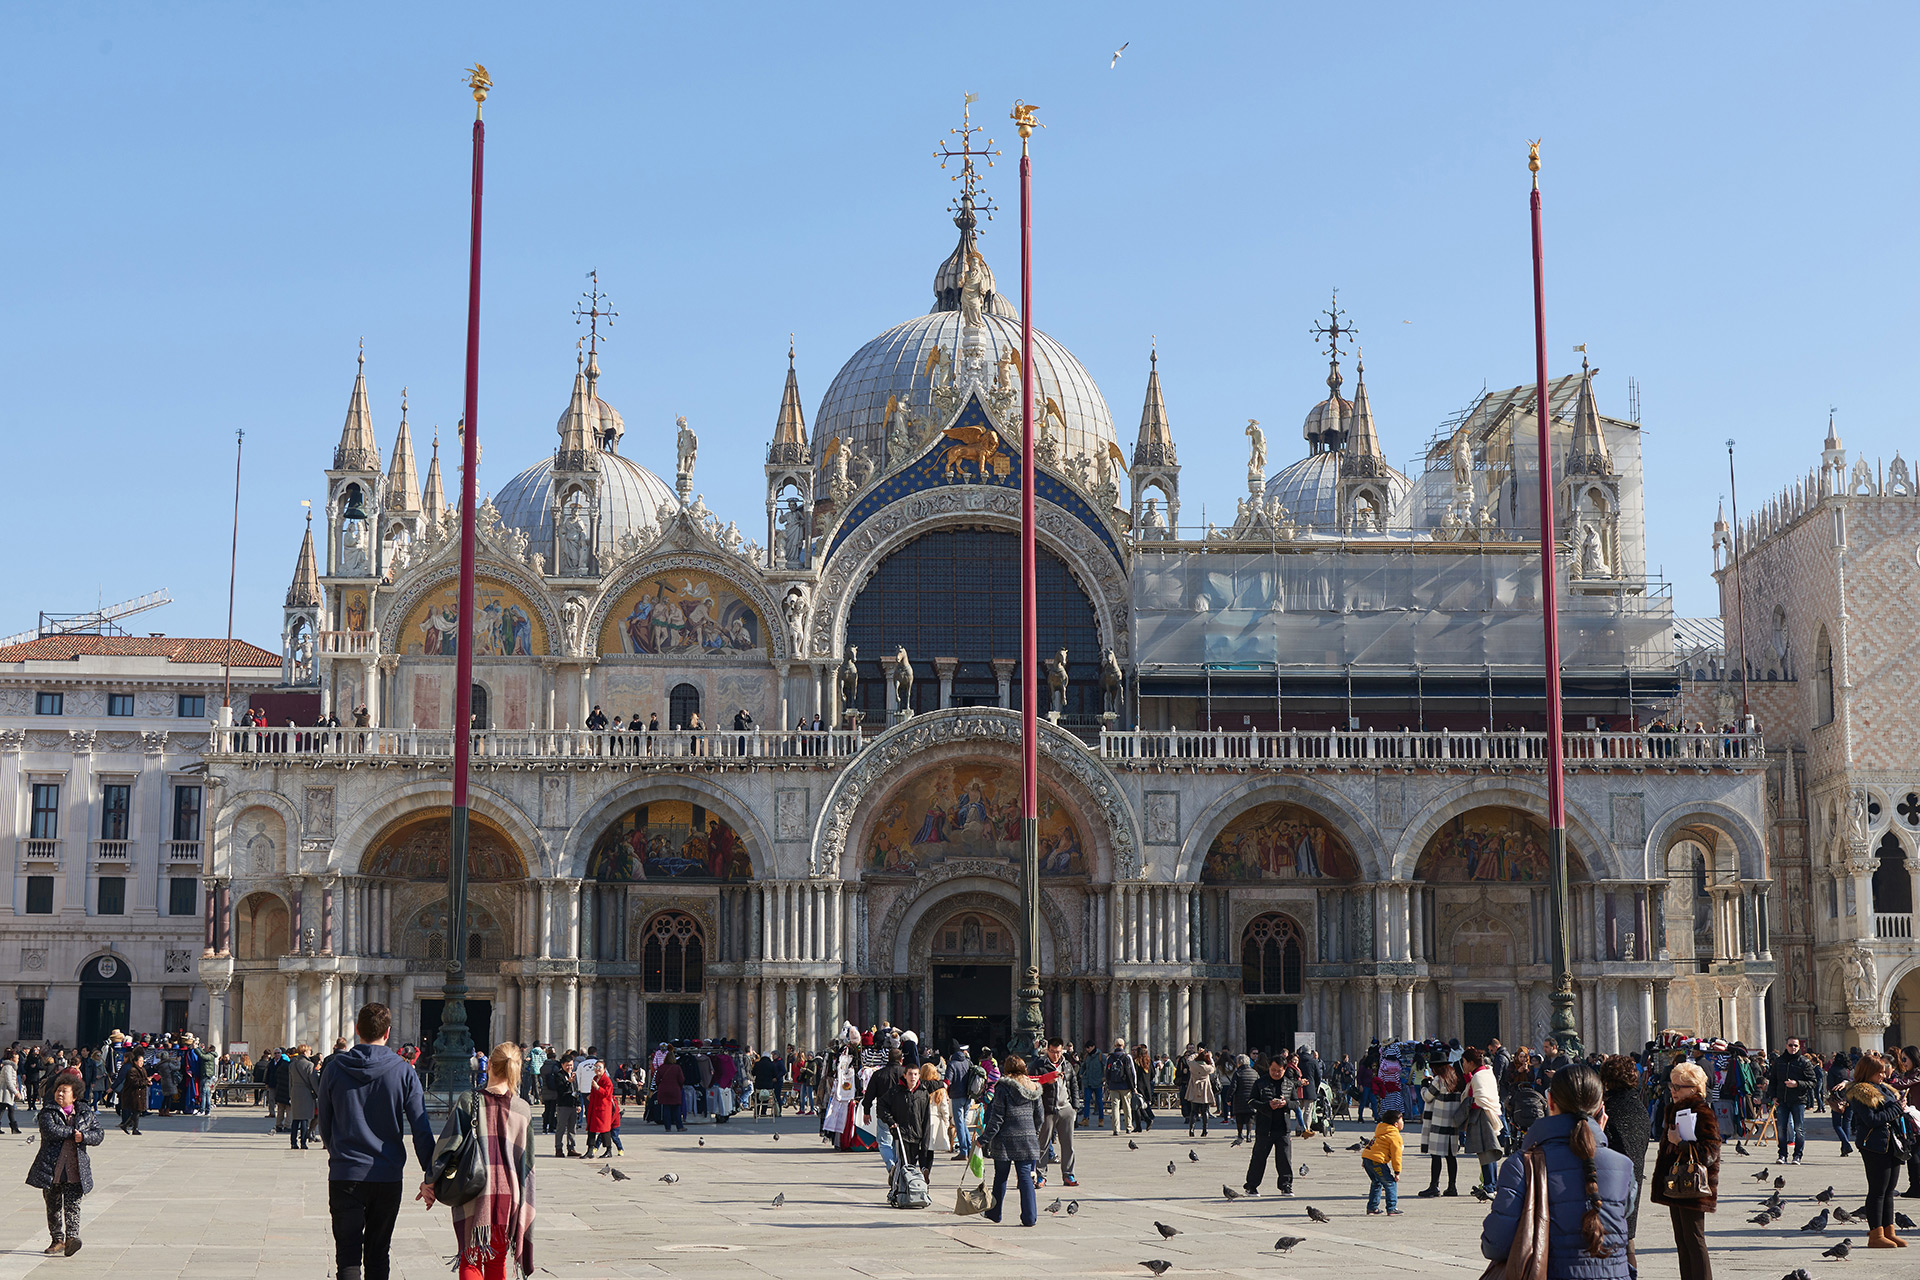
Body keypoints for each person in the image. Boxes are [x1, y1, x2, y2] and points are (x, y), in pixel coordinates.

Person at [1481, 1062, 1634, 1279]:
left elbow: (1495, 1245)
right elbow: (1617, 1216)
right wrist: (1595, 1139)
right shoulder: (1623, 1165)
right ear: (1600, 1106)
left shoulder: (1521, 1165)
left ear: (1550, 1101)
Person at [316, 1003, 437, 1280]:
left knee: (347, 1257)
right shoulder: (404, 1071)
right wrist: (431, 1174)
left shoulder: (334, 1069)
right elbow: (421, 1127)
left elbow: (325, 1122)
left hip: (346, 1173)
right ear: (388, 1032)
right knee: (378, 1254)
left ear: (357, 1031)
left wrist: (338, 1152)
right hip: (387, 1175)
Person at [433, 1043, 536, 1279]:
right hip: (507, 1197)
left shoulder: (469, 1100)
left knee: (470, 1259)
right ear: (517, 1070)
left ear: (488, 1065)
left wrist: (430, 1182)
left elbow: (447, 1145)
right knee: (496, 1259)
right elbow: (527, 1165)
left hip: (473, 1190)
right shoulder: (523, 1109)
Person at [1651, 1060, 1721, 1280]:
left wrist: (1681, 1143)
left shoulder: (1701, 1110)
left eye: (1677, 1087)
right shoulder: (1674, 1109)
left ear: (1693, 1088)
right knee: (1681, 1239)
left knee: (1694, 1238)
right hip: (1676, 1181)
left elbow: (1711, 1150)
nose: (1672, 1091)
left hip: (1693, 1182)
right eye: (1671, 1086)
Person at [26, 1070, 102, 1257]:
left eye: (64, 1091)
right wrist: (73, 1133)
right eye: (58, 1090)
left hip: (75, 1169)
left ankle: (72, 1239)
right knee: (53, 1206)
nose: (60, 1094)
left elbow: (99, 1134)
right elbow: (51, 1131)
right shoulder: (48, 1111)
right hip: (51, 1168)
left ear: (74, 1095)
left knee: (73, 1206)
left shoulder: (85, 1112)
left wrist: (84, 1136)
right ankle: (57, 1239)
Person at [1846, 1053, 1910, 1247]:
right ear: (1868, 1072)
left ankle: (1889, 1230)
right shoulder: (1860, 1092)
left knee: (1889, 1190)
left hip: (1891, 1143)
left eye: (1884, 1071)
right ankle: (1875, 1235)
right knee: (1877, 1190)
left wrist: (1901, 1107)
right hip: (1873, 1144)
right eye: (1879, 1072)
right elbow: (1872, 1120)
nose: (1883, 1075)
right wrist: (1897, 1108)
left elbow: (1891, 1112)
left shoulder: (1884, 1089)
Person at [980, 1054, 1044, 1227]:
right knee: (1024, 1176)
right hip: (1027, 1139)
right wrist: (1032, 1132)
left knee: (1001, 1176)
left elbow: (997, 1118)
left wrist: (984, 1138)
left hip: (1005, 1140)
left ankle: (994, 1213)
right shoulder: (1034, 1088)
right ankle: (1030, 1217)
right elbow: (1040, 1117)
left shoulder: (1002, 1087)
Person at [1599, 1054, 1652, 1241]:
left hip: (1609, 1185)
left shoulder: (1607, 1110)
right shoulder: (1640, 1109)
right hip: (1633, 1180)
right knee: (1628, 1241)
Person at [1242, 1053, 1296, 1197]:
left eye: (1279, 1070)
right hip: (1265, 1127)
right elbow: (1251, 1101)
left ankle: (1286, 1185)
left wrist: (1286, 1104)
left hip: (1283, 1128)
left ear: (1284, 1069)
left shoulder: (1289, 1084)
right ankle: (1251, 1186)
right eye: (1273, 1070)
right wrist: (1267, 1105)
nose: (1276, 1073)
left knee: (1284, 1159)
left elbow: (1296, 1103)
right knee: (1258, 1158)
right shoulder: (1261, 1083)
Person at [1416, 1058, 1466, 1197]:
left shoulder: (1438, 1080)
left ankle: (1434, 1186)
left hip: (1439, 1122)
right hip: (1453, 1122)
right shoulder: (1456, 1078)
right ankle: (1452, 1186)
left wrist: (1424, 1084)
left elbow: (1427, 1096)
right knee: (1451, 1155)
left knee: (1436, 1155)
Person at [1766, 1035, 1818, 1165]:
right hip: (1782, 1100)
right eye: (1790, 1045)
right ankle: (1782, 1155)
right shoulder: (1779, 1062)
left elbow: (1813, 1082)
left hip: (1798, 1100)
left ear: (1799, 1047)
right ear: (1786, 1046)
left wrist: (1797, 1084)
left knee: (1799, 1129)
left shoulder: (1804, 1062)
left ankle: (1797, 1156)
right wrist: (1773, 1097)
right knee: (1782, 1128)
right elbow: (1773, 1081)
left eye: (1795, 1045)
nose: (1793, 1048)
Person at [1459, 1046, 1505, 1189]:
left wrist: (1468, 1105)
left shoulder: (1479, 1076)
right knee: (1487, 1152)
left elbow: (1479, 1098)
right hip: (1490, 1114)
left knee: (1486, 1153)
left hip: (1482, 1116)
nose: (1463, 1065)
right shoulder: (1485, 1072)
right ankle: (1490, 1183)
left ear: (1471, 1063)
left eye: (1464, 1062)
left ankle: (1490, 1185)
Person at [1360, 1108, 1405, 1215]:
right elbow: (1396, 1156)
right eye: (1401, 1120)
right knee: (1390, 1183)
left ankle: (1372, 1207)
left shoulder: (1381, 1130)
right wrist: (1397, 1172)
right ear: (1395, 1124)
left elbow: (1372, 1144)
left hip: (1367, 1158)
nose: (1403, 1122)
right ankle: (1391, 1207)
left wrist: (1365, 1161)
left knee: (1376, 1182)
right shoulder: (1395, 1136)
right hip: (1377, 1161)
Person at [1105, 1038, 1139, 1136]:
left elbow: (1106, 1071)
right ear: (1123, 1046)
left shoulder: (1110, 1057)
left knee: (1115, 1107)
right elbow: (1133, 1072)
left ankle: (1116, 1129)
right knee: (1127, 1106)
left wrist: (1108, 1084)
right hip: (1125, 1086)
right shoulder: (1127, 1057)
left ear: (1115, 1046)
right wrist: (1134, 1086)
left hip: (1113, 1085)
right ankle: (1128, 1127)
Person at [289, 1044, 320, 1150]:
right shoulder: (309, 1065)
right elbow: (313, 1082)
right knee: (304, 1119)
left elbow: (290, 1081)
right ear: (305, 1052)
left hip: (295, 1092)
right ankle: (303, 1142)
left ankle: (293, 1142)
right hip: (306, 1093)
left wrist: (290, 1093)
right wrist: (318, 1093)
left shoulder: (293, 1064)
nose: (310, 1053)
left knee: (296, 1118)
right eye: (310, 1051)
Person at [116, 1050, 153, 1136]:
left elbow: (143, 1080)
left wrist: (148, 1082)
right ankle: (133, 1128)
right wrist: (146, 1081)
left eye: (143, 1061)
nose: (141, 1063)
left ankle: (126, 1125)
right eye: (140, 1061)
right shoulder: (132, 1070)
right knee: (136, 1111)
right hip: (133, 1094)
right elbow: (135, 1082)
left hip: (140, 1094)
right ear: (135, 1062)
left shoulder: (142, 1069)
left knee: (137, 1111)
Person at [551, 1053, 580, 1157]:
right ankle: (558, 1148)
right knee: (561, 1128)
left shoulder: (573, 1075)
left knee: (572, 1128)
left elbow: (576, 1090)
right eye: (567, 1065)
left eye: (571, 1065)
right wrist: (568, 1082)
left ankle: (571, 1148)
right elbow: (560, 1089)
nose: (569, 1067)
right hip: (563, 1105)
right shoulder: (559, 1075)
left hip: (572, 1105)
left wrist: (578, 1104)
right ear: (562, 1065)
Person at [584, 1062, 615, 1159]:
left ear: (604, 1069)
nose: (597, 1069)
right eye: (596, 1067)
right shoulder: (595, 1078)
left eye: (599, 1067)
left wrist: (597, 1087)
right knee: (591, 1129)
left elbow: (606, 1093)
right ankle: (590, 1150)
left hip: (603, 1109)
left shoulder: (607, 1080)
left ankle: (608, 1150)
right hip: (594, 1108)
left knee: (604, 1130)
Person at [1184, 1047, 1216, 1138]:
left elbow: (1189, 1059)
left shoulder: (1193, 1064)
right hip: (1205, 1088)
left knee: (1193, 1110)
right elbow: (1213, 1067)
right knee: (1204, 1110)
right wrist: (1210, 1057)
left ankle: (1191, 1129)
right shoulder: (1207, 1067)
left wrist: (1197, 1054)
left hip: (1194, 1087)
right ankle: (1205, 1130)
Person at [653, 1051, 687, 1132]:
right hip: (675, 1090)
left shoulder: (661, 1067)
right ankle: (679, 1126)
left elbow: (656, 1079)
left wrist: (661, 1086)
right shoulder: (677, 1067)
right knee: (676, 1109)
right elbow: (681, 1080)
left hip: (664, 1090)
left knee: (666, 1109)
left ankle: (667, 1127)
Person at [0, 1049, 23, 1133]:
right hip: (5, 1092)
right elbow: (8, 1081)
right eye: (17, 1058)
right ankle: (14, 1127)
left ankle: (14, 1128)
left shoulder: (12, 1067)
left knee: (8, 1109)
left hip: (8, 1092)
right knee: (4, 1109)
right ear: (11, 1059)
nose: (18, 1060)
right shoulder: (8, 1067)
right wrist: (15, 1092)